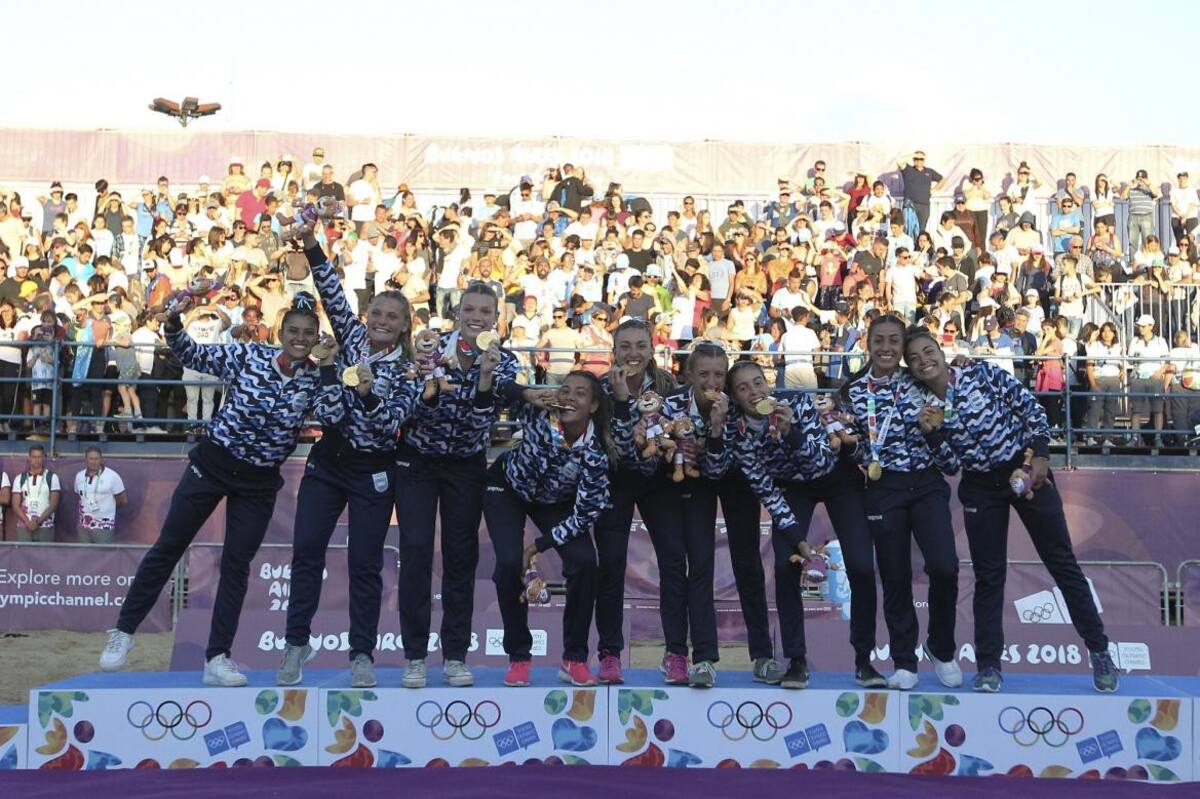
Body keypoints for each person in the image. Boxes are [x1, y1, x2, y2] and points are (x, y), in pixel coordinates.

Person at [99, 292, 329, 686]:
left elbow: (334, 411)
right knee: (169, 546)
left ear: (316, 338)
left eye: (308, 333)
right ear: (281, 331)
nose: (300, 338)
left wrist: (331, 367)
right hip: (213, 465)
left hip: (259, 482)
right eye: (294, 330)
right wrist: (174, 324)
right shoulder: (250, 355)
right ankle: (123, 631)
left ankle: (218, 657)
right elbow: (192, 355)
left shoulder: (316, 379)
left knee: (237, 567)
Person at [903, 326, 1118, 693]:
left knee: (1062, 564)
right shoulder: (922, 407)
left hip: (1025, 470)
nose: (924, 361)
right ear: (910, 368)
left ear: (940, 349)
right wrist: (932, 435)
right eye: (914, 358)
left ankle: (1099, 651)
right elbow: (951, 466)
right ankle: (988, 666)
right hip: (979, 488)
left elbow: (1031, 411)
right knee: (989, 577)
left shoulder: (981, 373)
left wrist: (1041, 457)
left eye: (928, 351)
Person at [278, 240, 419, 689]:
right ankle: (295, 643)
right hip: (327, 461)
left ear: (404, 326)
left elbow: (391, 422)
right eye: (376, 313)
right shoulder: (353, 338)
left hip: (373, 470)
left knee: (364, 563)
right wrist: (312, 248)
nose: (381, 321)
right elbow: (332, 292)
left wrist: (368, 394)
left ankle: (362, 654)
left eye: (392, 317)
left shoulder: (410, 370)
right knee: (306, 551)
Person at [710, 360, 885, 689]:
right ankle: (796, 660)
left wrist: (791, 432)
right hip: (791, 488)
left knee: (862, 566)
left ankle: (864, 660)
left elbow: (822, 459)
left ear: (768, 383)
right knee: (785, 565)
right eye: (743, 388)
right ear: (734, 397)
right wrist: (798, 539)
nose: (754, 392)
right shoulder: (739, 432)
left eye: (758, 383)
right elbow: (765, 489)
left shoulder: (797, 403)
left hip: (837, 479)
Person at [395, 283, 520, 689]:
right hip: (417, 462)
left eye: (486, 311)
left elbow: (485, 418)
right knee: (415, 552)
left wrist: (485, 376)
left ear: (496, 318)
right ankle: (415, 656)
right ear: (457, 313)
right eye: (470, 309)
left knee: (460, 558)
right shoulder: (430, 350)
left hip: (466, 466)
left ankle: (454, 656)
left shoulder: (504, 360)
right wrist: (429, 385)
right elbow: (415, 407)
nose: (477, 317)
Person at [840, 315, 961, 690]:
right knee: (895, 576)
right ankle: (905, 660)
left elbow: (952, 462)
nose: (887, 347)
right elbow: (857, 449)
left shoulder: (922, 382)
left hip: (926, 484)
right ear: (867, 343)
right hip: (883, 487)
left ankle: (941, 648)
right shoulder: (852, 392)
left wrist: (934, 434)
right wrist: (852, 448)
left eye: (894, 340)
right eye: (879, 340)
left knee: (944, 567)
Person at [655, 345, 784, 688]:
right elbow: (667, 453)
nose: (711, 381)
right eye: (703, 374)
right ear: (689, 375)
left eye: (718, 375)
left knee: (748, 563)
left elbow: (724, 462)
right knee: (700, 565)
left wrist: (715, 430)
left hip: (736, 478)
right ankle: (704, 658)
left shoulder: (735, 405)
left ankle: (762, 655)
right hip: (695, 482)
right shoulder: (672, 405)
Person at [486, 372, 612, 687]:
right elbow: (496, 385)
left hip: (555, 502)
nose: (569, 397)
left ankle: (574, 658)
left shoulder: (596, 451)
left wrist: (539, 545)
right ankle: (519, 657)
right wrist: (525, 393)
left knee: (585, 562)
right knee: (509, 564)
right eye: (565, 390)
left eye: (580, 393)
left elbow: (585, 513)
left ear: (593, 405)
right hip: (507, 488)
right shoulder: (539, 412)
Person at [594, 320, 682, 684]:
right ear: (614, 351)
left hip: (658, 481)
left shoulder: (667, 385)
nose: (633, 353)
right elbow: (611, 445)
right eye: (626, 346)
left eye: (640, 346)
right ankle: (610, 654)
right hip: (614, 479)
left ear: (651, 349)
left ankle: (676, 652)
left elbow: (677, 432)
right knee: (611, 565)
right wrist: (620, 401)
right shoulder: (602, 387)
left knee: (673, 561)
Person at [73, 446, 127, 544]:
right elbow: (79, 496)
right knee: (83, 553)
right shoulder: (79, 476)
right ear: (86, 459)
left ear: (101, 459)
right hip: (83, 526)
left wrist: (107, 508)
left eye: (96, 459)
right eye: (91, 459)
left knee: (103, 553)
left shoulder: (112, 476)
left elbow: (123, 500)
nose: (93, 462)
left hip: (104, 527)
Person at [11, 444, 61, 542]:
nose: (36, 460)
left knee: (45, 552)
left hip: (45, 526)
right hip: (24, 526)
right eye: (34, 457)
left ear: (44, 458)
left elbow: (54, 504)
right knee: (23, 552)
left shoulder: (52, 477)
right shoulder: (19, 478)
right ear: (29, 457)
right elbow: (15, 505)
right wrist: (27, 522)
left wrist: (38, 522)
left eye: (39, 457)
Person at [896, 150, 945, 234]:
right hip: (910, 205)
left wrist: (933, 190)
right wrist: (913, 154)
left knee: (921, 229)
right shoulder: (908, 169)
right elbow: (899, 161)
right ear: (913, 160)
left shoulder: (929, 171)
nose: (919, 161)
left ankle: (919, 242)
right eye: (916, 159)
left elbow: (943, 180)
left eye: (921, 159)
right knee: (908, 229)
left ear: (924, 160)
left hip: (924, 205)